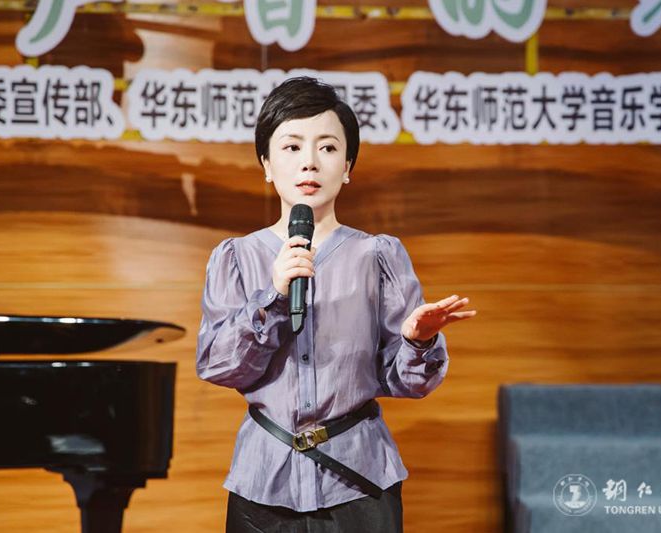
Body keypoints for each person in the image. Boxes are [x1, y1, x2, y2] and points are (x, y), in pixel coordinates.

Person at [196, 76, 476, 533]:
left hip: (359, 479)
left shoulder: (378, 256)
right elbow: (219, 366)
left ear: (347, 166)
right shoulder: (236, 257)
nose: (309, 161)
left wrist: (417, 341)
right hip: (264, 478)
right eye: (292, 147)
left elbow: (408, 381)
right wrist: (273, 298)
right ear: (266, 164)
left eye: (327, 148)